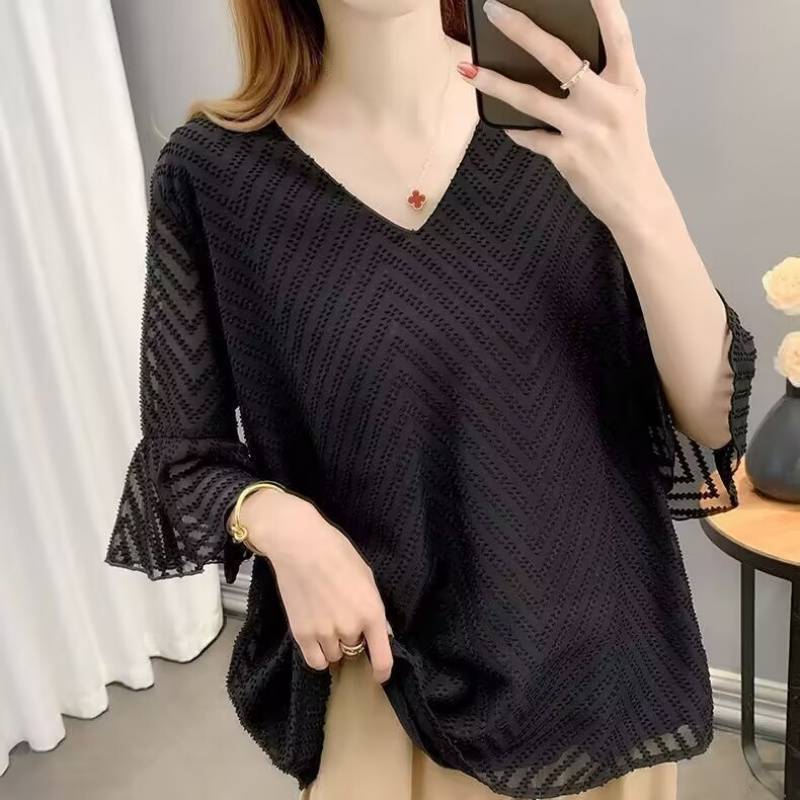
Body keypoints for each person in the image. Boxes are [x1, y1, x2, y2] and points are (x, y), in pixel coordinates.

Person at [105, 1, 757, 799]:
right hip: (387, 688)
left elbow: (709, 422)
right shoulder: (215, 176)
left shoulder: (563, 125)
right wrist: (278, 522)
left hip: (600, 686)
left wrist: (641, 197)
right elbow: (182, 459)